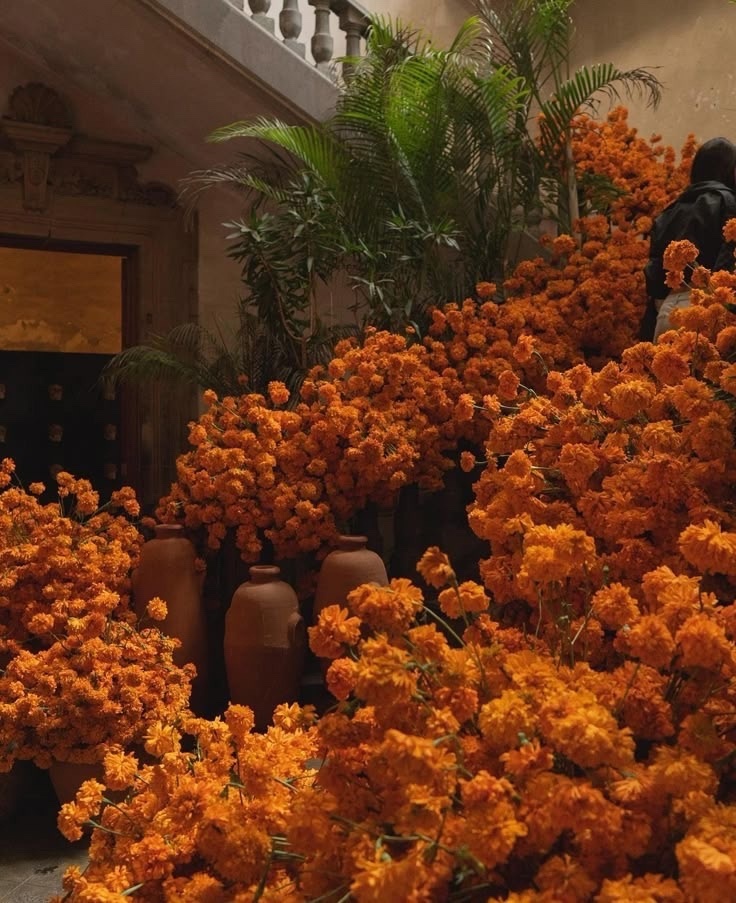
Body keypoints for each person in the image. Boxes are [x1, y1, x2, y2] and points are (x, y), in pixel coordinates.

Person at [642, 136, 736, 342]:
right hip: (709, 311)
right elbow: (728, 261)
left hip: (666, 313)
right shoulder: (728, 202)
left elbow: (654, 275)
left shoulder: (670, 211)